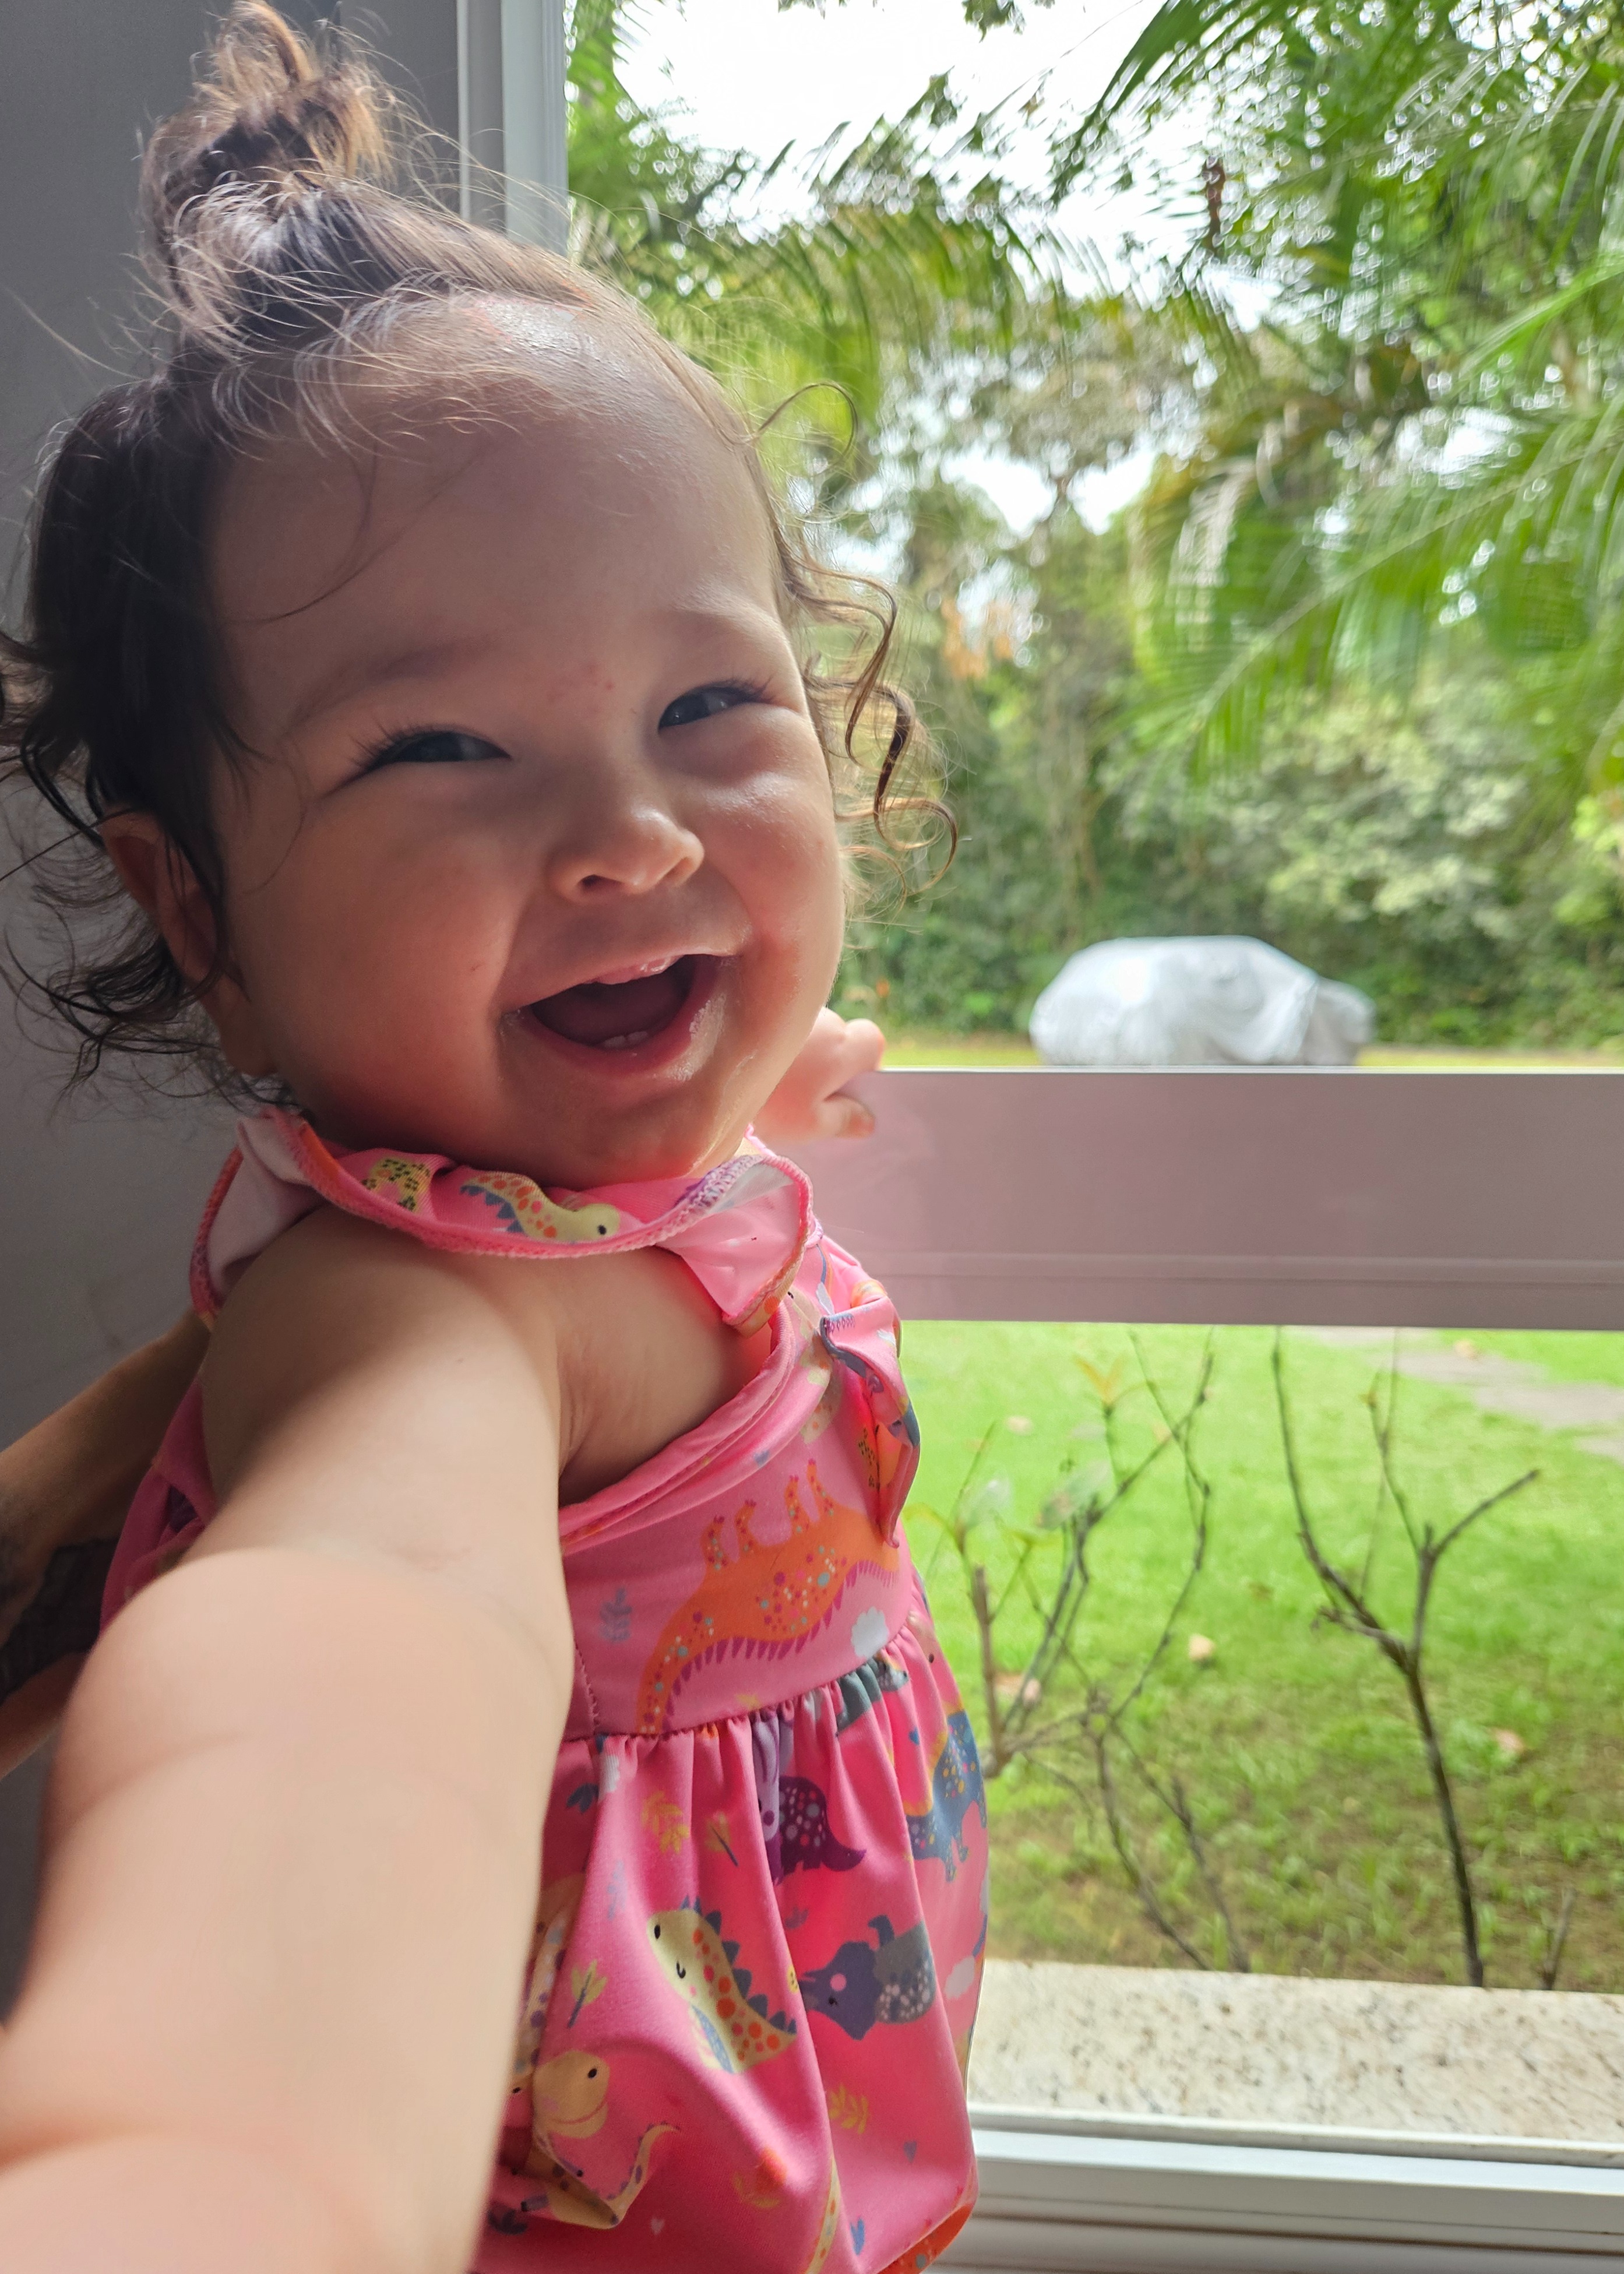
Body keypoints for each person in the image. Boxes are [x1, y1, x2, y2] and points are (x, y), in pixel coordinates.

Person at [0, 10, 988, 2273]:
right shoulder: (416, 1314)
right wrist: (214, 2146)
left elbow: (689, 1057)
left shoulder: (624, 1172)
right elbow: (354, 1627)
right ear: (197, 913)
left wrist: (773, 1068)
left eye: (709, 705)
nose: (636, 835)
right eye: (440, 747)